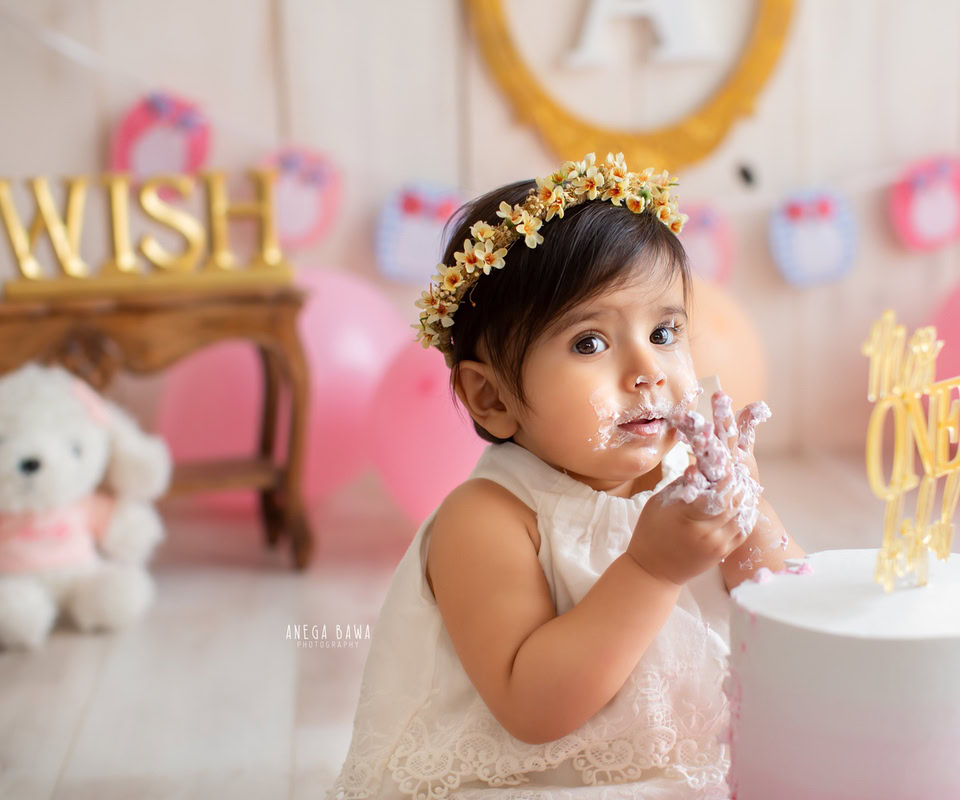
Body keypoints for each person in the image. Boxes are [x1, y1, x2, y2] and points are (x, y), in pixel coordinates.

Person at [329, 153, 804, 800]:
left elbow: (788, 613)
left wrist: (749, 512)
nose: (648, 370)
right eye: (590, 343)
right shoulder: (490, 519)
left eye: (665, 331)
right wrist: (651, 570)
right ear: (491, 398)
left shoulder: (686, 478)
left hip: (675, 771)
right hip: (521, 782)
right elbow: (534, 711)